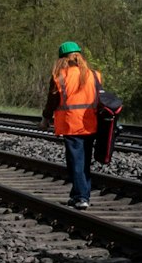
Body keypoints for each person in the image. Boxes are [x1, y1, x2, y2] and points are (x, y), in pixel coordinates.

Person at [41, 41, 101, 208]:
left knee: (75, 162)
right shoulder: (94, 75)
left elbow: (52, 101)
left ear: (62, 59)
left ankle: (82, 197)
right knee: (84, 162)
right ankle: (78, 195)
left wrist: (45, 119)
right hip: (91, 125)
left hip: (71, 125)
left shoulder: (60, 76)